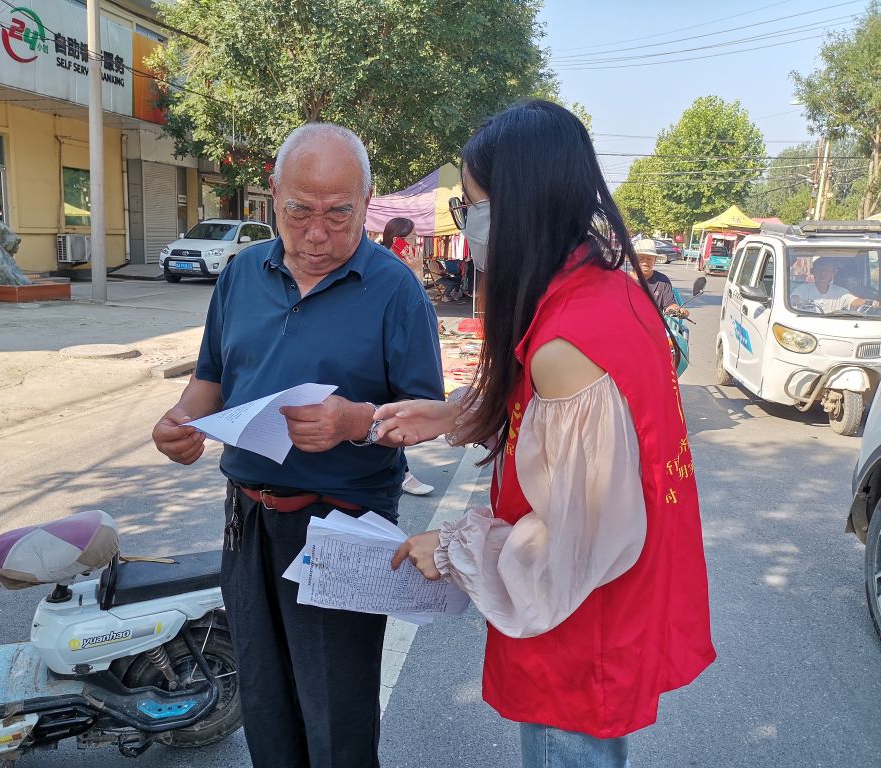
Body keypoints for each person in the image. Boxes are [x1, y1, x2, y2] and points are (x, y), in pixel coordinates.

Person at [374, 100, 716, 768]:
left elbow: (577, 537)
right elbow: (558, 430)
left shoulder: (567, 341)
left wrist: (452, 548)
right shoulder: (607, 291)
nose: (468, 223)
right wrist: (454, 412)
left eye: (473, 204)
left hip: (579, 623)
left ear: (523, 205)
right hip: (604, 601)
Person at [151, 123, 444, 768]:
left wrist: (356, 421)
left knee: (337, 711)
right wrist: (181, 420)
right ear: (273, 194)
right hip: (247, 517)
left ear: (367, 203)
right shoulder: (242, 274)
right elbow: (212, 378)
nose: (317, 234)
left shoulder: (395, 289)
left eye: (339, 214)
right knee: (264, 695)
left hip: (344, 524)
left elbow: (426, 415)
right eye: (298, 211)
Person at [382, 217, 437, 497]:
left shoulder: (394, 264)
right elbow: (415, 308)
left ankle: (402, 470)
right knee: (394, 408)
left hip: (399, 350)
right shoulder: (391, 267)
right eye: (412, 239)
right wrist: (415, 272)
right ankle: (402, 472)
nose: (416, 244)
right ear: (398, 240)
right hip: (391, 352)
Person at [791, 256, 880, 313]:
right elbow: (794, 299)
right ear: (812, 271)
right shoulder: (803, 289)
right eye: (820, 270)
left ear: (833, 273)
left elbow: (854, 302)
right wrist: (797, 301)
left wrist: (872, 303)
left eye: (826, 270)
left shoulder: (841, 292)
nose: (823, 274)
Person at [634, 238, 686, 316]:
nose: (645, 263)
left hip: (653, 322)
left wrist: (677, 310)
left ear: (654, 261)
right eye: (641, 259)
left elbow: (670, 305)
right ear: (633, 260)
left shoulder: (662, 280)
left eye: (649, 259)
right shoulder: (624, 280)